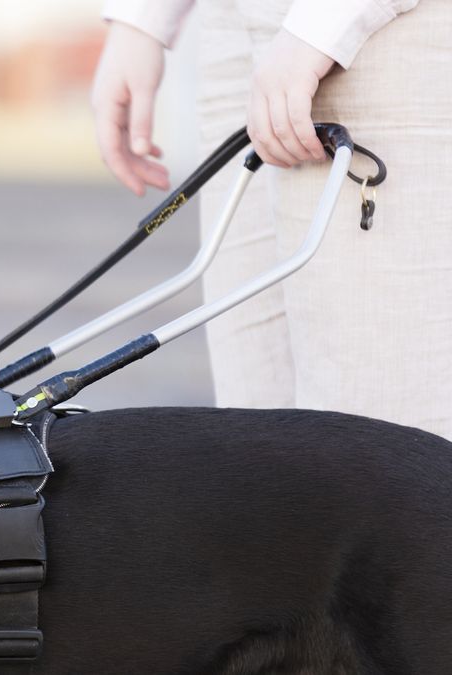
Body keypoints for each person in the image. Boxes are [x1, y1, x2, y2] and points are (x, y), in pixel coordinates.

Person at [90, 0, 451, 439]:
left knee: (376, 439)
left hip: (371, 35)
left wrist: (322, 24)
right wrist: (140, 21)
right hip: (235, 32)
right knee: (257, 440)